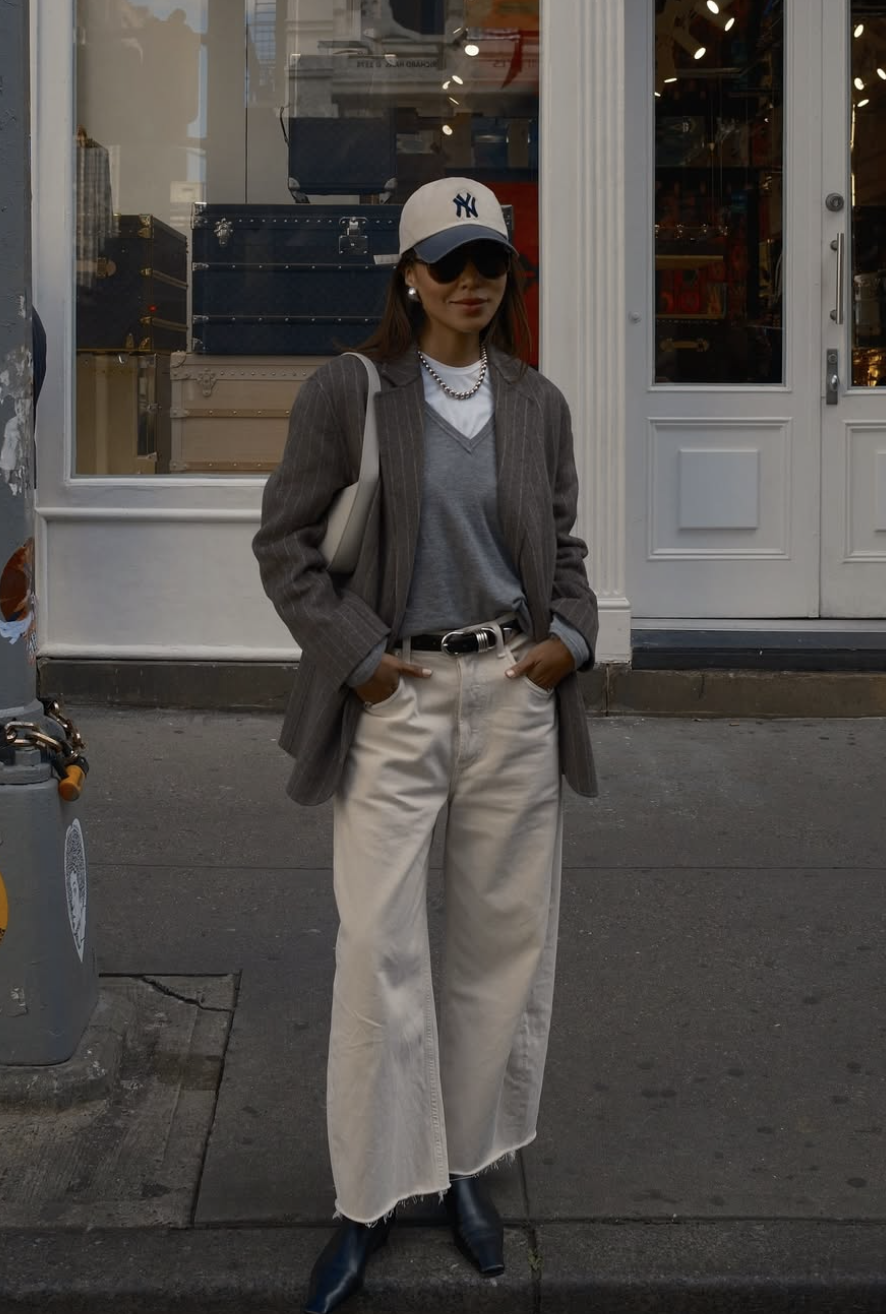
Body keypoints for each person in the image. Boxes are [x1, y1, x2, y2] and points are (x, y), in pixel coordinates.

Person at [253, 176, 599, 1314]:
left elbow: (563, 545)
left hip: (510, 689)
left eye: (488, 264)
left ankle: (461, 1171)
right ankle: (365, 1198)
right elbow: (286, 545)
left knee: (500, 951)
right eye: (447, 263)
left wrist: (573, 642)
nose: (469, 284)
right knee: (376, 953)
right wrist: (359, 655)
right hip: (396, 696)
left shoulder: (535, 403)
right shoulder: (348, 392)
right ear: (406, 275)